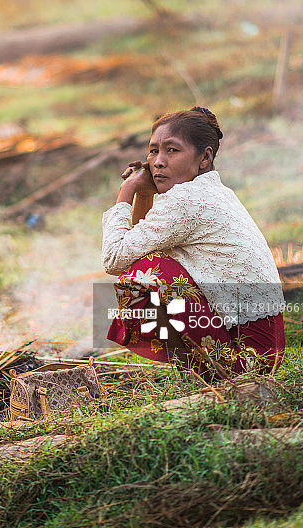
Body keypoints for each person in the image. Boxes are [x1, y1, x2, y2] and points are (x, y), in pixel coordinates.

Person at [101, 106, 285, 379]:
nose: (158, 162)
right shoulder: (211, 190)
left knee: (145, 273)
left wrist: (126, 190)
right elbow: (139, 244)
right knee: (148, 263)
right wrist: (143, 193)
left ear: (205, 157)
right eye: (153, 151)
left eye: (172, 150)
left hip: (245, 360)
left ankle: (214, 375)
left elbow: (114, 259)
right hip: (264, 354)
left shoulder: (186, 200)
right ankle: (204, 371)